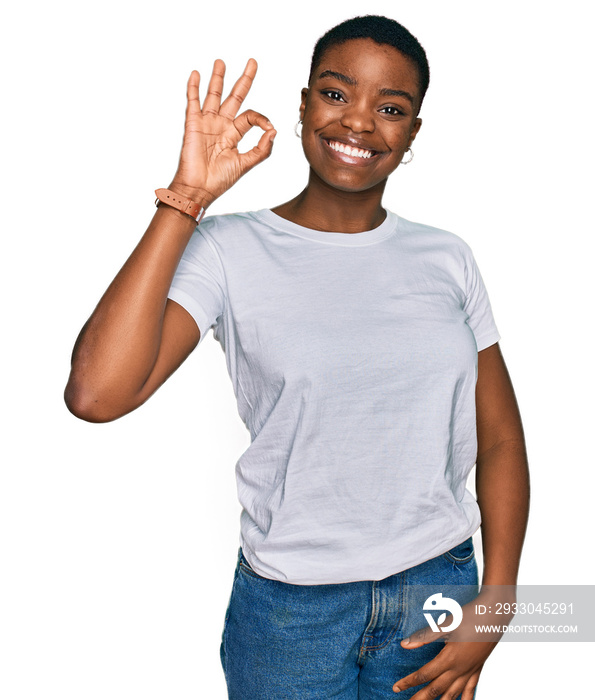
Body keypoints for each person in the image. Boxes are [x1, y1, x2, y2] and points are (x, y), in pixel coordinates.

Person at [65, 15, 529, 700]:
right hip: (291, 612)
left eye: (390, 108)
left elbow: (498, 436)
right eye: (337, 95)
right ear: (304, 104)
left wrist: (498, 601)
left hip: (437, 586)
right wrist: (187, 198)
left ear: (412, 134)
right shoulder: (227, 248)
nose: (360, 123)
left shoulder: (447, 256)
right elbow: (97, 395)